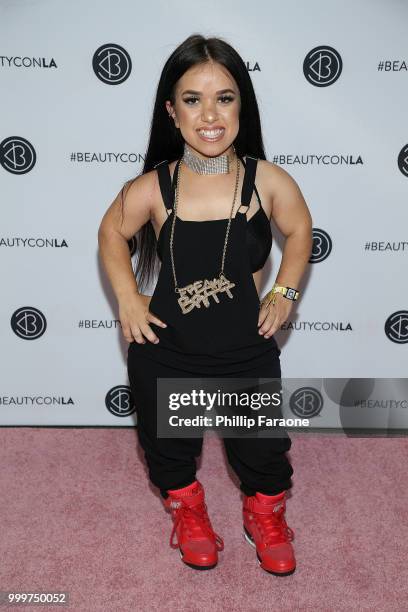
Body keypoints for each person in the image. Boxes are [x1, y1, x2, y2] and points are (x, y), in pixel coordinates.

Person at [98, 34, 313, 576]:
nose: (210, 114)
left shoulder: (268, 181)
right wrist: (127, 295)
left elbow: (300, 228)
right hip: (168, 350)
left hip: (245, 350)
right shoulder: (154, 187)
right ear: (172, 112)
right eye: (192, 99)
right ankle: (188, 510)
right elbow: (109, 233)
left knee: (262, 452)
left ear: (243, 105)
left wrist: (285, 290)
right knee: (169, 450)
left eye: (225, 97)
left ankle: (263, 513)